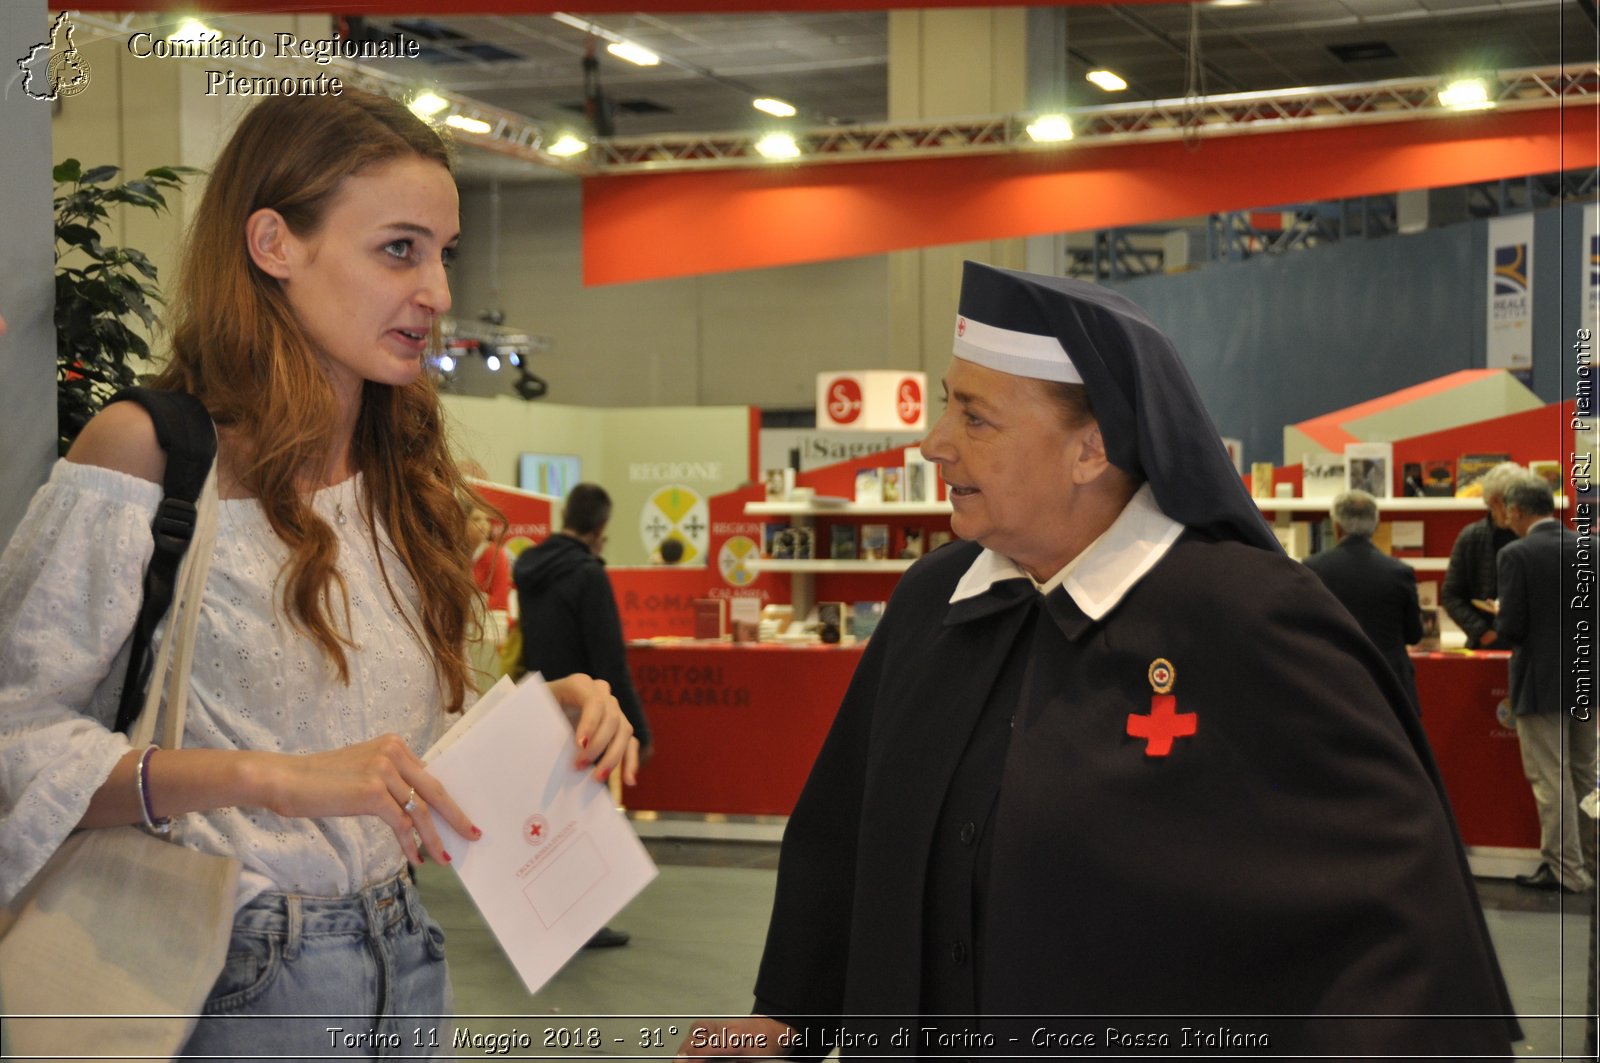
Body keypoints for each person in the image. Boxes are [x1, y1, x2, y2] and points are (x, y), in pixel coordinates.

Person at [681, 262, 1515, 1058]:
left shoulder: (1249, 617)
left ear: (1093, 449)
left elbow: (1396, 924)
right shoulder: (934, 602)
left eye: (975, 416)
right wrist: (789, 1014)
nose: (935, 444)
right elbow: (846, 829)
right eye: (946, 406)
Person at [0, 91, 636, 1056]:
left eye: (443, 253)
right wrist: (267, 780)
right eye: (399, 249)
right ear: (273, 243)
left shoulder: (403, 472)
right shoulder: (146, 452)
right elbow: (16, 740)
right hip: (218, 972)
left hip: (407, 958)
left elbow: (379, 751)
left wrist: (530, 725)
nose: (437, 291)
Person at [514, 482, 653, 949]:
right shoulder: (588, 575)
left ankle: (544, 913)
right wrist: (635, 725)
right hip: (586, 710)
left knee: (548, 812)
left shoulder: (528, 569)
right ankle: (584, 920)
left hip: (543, 701)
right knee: (585, 814)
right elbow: (609, 658)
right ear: (600, 528)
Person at [1495, 474, 1596, 893]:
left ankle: (1565, 871)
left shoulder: (1516, 554)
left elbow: (1512, 628)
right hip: (1588, 676)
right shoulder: (1590, 547)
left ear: (1517, 511)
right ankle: (1591, 860)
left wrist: (1500, 614)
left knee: (1550, 779)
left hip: (1541, 682)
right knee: (1587, 774)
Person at [1304, 489, 1425, 712]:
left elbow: (1306, 630)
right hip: (1390, 688)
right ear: (1376, 526)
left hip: (1333, 685)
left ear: (1336, 525)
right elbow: (1414, 634)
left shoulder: (1313, 569)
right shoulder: (1400, 572)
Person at [1442, 461, 1525, 648]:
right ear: (1493, 501)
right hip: (1484, 645)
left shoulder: (1531, 536)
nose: (1511, 507)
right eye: (1505, 500)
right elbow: (1451, 594)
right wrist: (1482, 632)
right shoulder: (1471, 536)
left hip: (1528, 649)